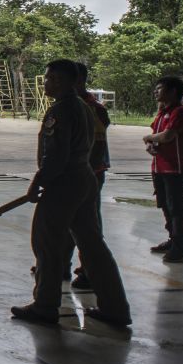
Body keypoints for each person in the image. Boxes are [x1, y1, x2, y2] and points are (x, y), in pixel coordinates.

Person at [11, 59, 131, 329]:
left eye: (50, 78)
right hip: (85, 177)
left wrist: (38, 182)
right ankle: (116, 307)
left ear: (65, 82)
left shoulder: (61, 111)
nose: (45, 83)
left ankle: (44, 305)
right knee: (93, 246)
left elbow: (56, 155)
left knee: (47, 244)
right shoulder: (85, 108)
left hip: (64, 182)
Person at [65, 62, 111, 291]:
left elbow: (98, 146)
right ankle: (60, 263)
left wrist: (87, 175)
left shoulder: (91, 107)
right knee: (66, 221)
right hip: (73, 174)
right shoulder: (70, 105)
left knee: (88, 226)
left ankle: (90, 271)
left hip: (86, 175)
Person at [144, 76, 183, 263]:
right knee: (165, 205)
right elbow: (157, 139)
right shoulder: (162, 113)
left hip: (175, 169)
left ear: (172, 92)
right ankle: (173, 240)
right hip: (160, 167)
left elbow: (167, 136)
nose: (156, 92)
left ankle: (180, 248)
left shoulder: (179, 112)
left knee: (177, 208)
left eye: (160, 88)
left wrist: (148, 137)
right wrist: (150, 145)